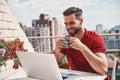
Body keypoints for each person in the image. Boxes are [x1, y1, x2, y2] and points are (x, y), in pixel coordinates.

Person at [53, 7, 108, 75]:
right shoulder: (67, 40)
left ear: (81, 21)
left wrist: (82, 48)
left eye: (72, 23)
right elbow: (52, 64)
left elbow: (103, 70)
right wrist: (56, 51)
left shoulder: (95, 38)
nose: (68, 27)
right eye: (66, 24)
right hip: (77, 77)